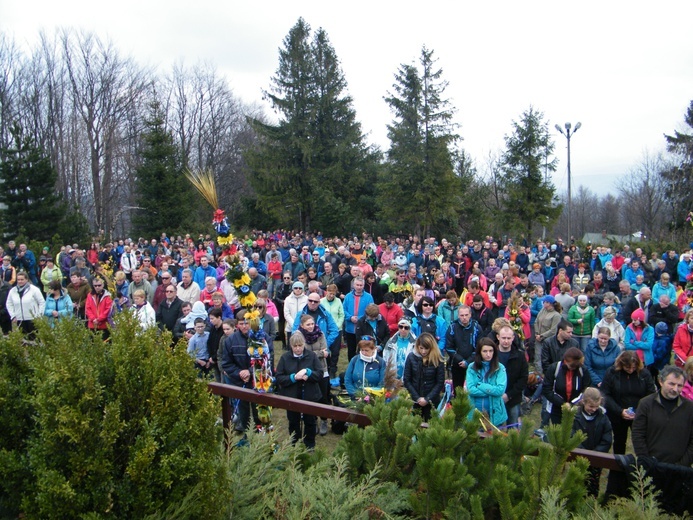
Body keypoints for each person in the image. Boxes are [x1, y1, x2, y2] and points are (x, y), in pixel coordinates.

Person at [632, 365, 693, 466]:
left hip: (680, 471)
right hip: (650, 466)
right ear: (661, 381)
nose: (675, 389)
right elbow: (638, 434)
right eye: (671, 384)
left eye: (679, 385)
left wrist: (682, 465)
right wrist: (646, 460)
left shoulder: (689, 408)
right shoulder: (646, 404)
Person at [275, 331, 324, 450]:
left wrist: (310, 374)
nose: (298, 349)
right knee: (293, 422)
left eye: (300, 345)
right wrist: (293, 378)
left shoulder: (312, 356)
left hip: (310, 395)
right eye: (295, 346)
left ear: (304, 344)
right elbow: (279, 377)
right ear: (291, 346)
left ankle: (310, 445)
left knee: (310, 421)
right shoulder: (285, 358)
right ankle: (294, 444)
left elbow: (320, 374)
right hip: (292, 396)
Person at [601, 350, 656, 454]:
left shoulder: (644, 374)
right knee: (619, 442)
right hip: (618, 414)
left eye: (634, 368)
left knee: (641, 442)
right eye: (627, 367)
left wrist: (639, 411)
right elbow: (605, 394)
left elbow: (651, 394)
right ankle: (617, 467)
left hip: (639, 414)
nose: (631, 370)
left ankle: (643, 465)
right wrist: (620, 411)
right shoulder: (612, 373)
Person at [571, 387, 613, 497]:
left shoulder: (603, 419)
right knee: (577, 482)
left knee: (593, 485)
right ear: (583, 402)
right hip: (579, 456)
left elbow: (607, 439)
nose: (593, 409)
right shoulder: (575, 417)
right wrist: (583, 453)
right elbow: (572, 435)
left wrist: (595, 454)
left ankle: (591, 502)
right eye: (591, 406)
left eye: (596, 406)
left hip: (596, 458)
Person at [295, 313, 331, 436]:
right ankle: (313, 421)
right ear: (302, 325)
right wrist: (319, 353)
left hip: (322, 369)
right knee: (311, 397)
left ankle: (324, 420)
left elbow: (326, 351)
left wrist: (314, 353)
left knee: (323, 397)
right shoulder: (298, 336)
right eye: (308, 324)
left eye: (312, 324)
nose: (311, 327)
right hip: (305, 371)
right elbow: (302, 353)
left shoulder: (320, 334)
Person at [543, 347, 592, 425]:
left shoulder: (583, 370)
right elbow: (547, 389)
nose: (573, 369)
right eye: (571, 366)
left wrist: (573, 404)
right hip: (556, 408)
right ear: (565, 361)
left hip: (577, 408)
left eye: (576, 367)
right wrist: (563, 403)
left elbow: (587, 389)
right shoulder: (554, 368)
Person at [466, 338, 508, 427]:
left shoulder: (500, 368)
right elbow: (471, 390)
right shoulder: (471, 367)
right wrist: (492, 391)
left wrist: (481, 385)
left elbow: (500, 390)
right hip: (474, 413)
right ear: (479, 352)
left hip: (495, 414)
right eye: (485, 351)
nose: (488, 354)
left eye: (491, 351)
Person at [403, 333, 445, 421]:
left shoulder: (437, 359)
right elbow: (407, 380)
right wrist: (417, 398)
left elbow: (440, 382)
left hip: (432, 400)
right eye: (421, 348)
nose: (423, 351)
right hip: (414, 399)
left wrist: (427, 399)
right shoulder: (411, 357)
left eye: (426, 348)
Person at [445, 305, 483, 392]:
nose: (464, 317)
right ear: (458, 315)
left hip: (474, 363)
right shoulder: (452, 328)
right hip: (457, 363)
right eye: (462, 315)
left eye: (466, 315)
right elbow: (449, 347)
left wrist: (468, 361)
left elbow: (479, 346)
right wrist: (460, 360)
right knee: (458, 390)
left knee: (474, 389)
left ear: (470, 315)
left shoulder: (477, 328)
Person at [343, 277, 375, 360]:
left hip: (363, 328)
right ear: (354, 285)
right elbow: (343, 310)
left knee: (363, 349)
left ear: (364, 286)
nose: (359, 287)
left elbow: (371, 311)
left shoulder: (369, 297)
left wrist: (360, 319)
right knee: (351, 350)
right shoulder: (348, 296)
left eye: (361, 285)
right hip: (350, 328)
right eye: (357, 285)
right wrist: (350, 317)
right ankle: (351, 366)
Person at [6, 271, 45, 336]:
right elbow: (9, 303)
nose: (20, 281)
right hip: (19, 319)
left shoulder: (34, 289)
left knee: (34, 339)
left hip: (32, 319)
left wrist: (39, 315)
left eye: (22, 279)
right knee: (23, 340)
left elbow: (42, 302)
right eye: (18, 280)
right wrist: (13, 315)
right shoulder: (13, 291)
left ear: (26, 279)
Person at [320, 284, 344, 387]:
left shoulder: (338, 301)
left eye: (333, 294)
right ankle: (326, 367)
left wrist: (337, 326)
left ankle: (333, 369)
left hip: (337, 330)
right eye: (330, 293)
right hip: (325, 330)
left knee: (335, 351)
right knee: (326, 350)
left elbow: (341, 314)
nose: (331, 296)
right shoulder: (321, 302)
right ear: (326, 292)